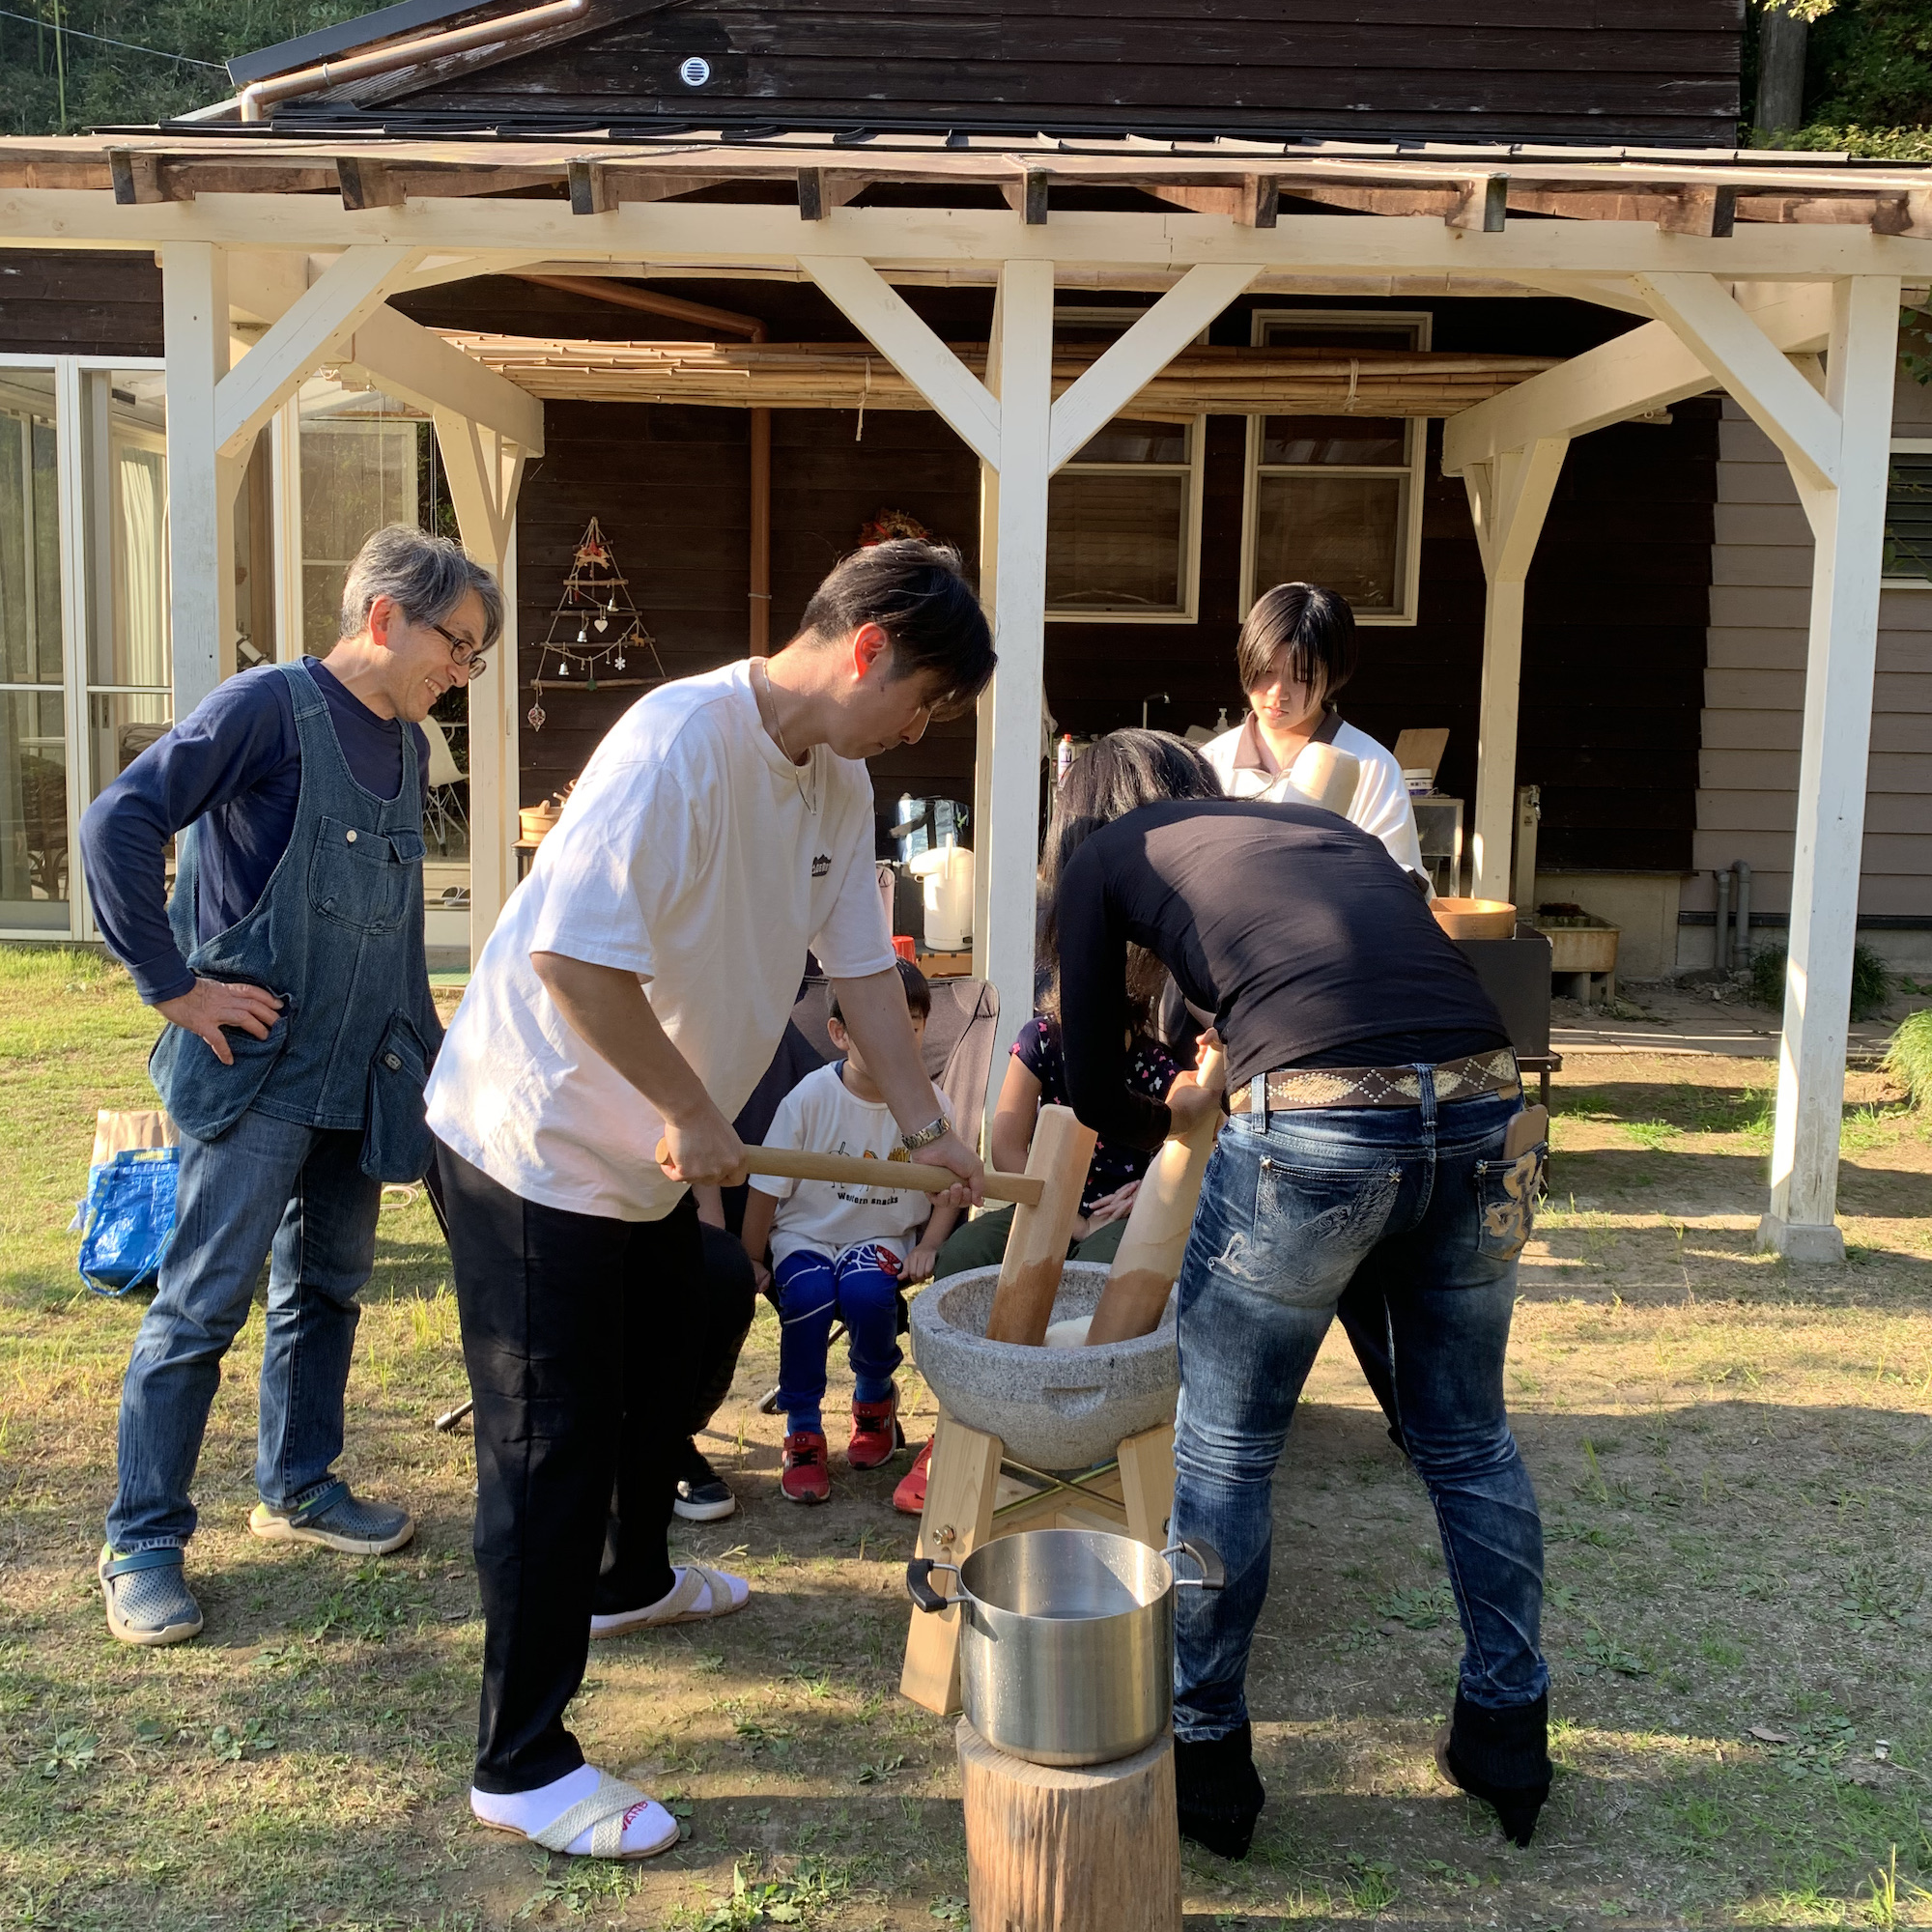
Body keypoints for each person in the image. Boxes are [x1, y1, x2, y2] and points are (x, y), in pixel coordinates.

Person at [424, 540, 993, 1863]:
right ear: (866, 649)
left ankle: (628, 1578)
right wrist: (693, 1109)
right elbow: (572, 961)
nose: (921, 728)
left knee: (699, 1309)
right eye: (924, 699)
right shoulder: (675, 745)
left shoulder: (839, 784)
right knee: (547, 1440)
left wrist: (926, 1127)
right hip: (536, 1136)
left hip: (645, 1157)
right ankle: (520, 1762)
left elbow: (861, 973)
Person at [1044, 729, 1552, 1861]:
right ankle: (1508, 1733)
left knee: (1226, 1450)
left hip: (1316, 1118)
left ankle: (1208, 1755)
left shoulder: (1101, 855)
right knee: (1468, 1439)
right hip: (1486, 1099)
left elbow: (1084, 1074)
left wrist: (1161, 1124)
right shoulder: (1320, 827)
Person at [78, 525, 500, 1648]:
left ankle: (299, 1484)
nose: (458, 675)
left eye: (472, 659)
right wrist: (174, 987)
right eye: (455, 647)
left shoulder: (409, 747)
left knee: (326, 1288)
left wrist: (431, 1045)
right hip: (252, 1071)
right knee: (201, 1305)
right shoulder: (266, 707)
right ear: (382, 617)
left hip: (361, 1073)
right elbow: (117, 819)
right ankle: (142, 1539)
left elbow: (398, 923)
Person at [740, 959, 958, 1505]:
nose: (897, 1039)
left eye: (910, 1025)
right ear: (839, 1033)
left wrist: (930, 1244)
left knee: (866, 1290)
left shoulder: (931, 1108)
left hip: (883, 1239)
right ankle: (805, 1429)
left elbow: (951, 1189)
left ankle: (874, 1400)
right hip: (804, 1237)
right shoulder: (811, 1099)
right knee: (810, 1294)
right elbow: (765, 1186)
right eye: (877, 1025)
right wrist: (750, 1257)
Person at [1202, 582, 1426, 878]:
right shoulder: (1210, 762)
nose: (1277, 693)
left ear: (1333, 675)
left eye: (1302, 677)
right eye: (1266, 671)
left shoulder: (1371, 766)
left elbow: (1396, 883)